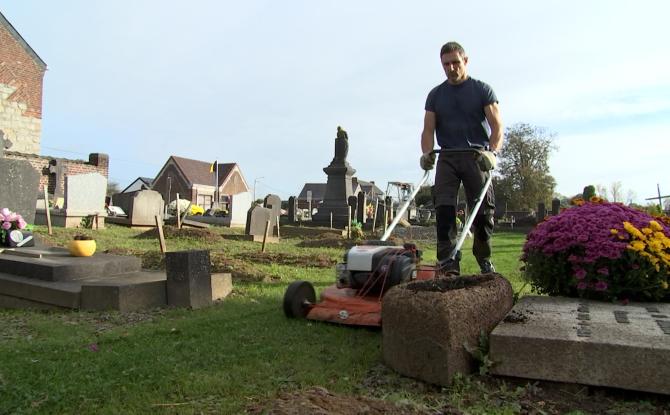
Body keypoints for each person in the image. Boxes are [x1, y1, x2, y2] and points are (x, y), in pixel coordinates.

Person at [419, 41, 503, 275]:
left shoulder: (482, 90)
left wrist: (492, 153)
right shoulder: (435, 95)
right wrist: (426, 153)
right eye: (446, 64)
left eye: (456, 62)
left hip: (477, 156)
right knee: (444, 209)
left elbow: (497, 126)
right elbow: (428, 130)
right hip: (447, 156)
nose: (451, 68)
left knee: (483, 211)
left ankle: (483, 258)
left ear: (465, 61)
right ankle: (448, 262)